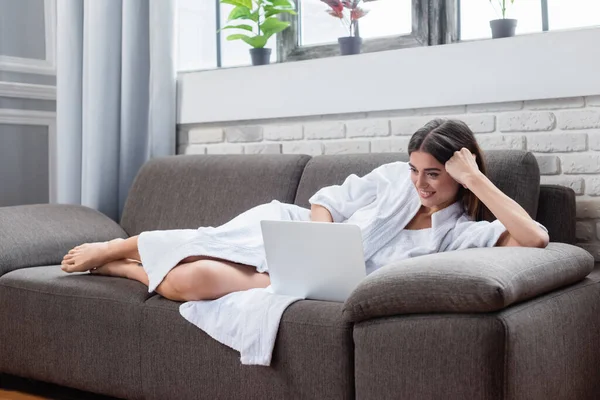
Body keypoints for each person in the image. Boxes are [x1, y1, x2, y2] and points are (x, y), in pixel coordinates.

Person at [61, 119, 549, 302]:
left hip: (324, 285)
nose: (418, 183)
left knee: (193, 282)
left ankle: (121, 268)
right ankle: (116, 244)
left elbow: (535, 240)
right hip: (296, 234)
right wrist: (318, 244)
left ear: (460, 175)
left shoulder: (460, 232)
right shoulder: (390, 181)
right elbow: (327, 200)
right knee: (209, 239)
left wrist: (476, 179)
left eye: (433, 174)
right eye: (413, 169)